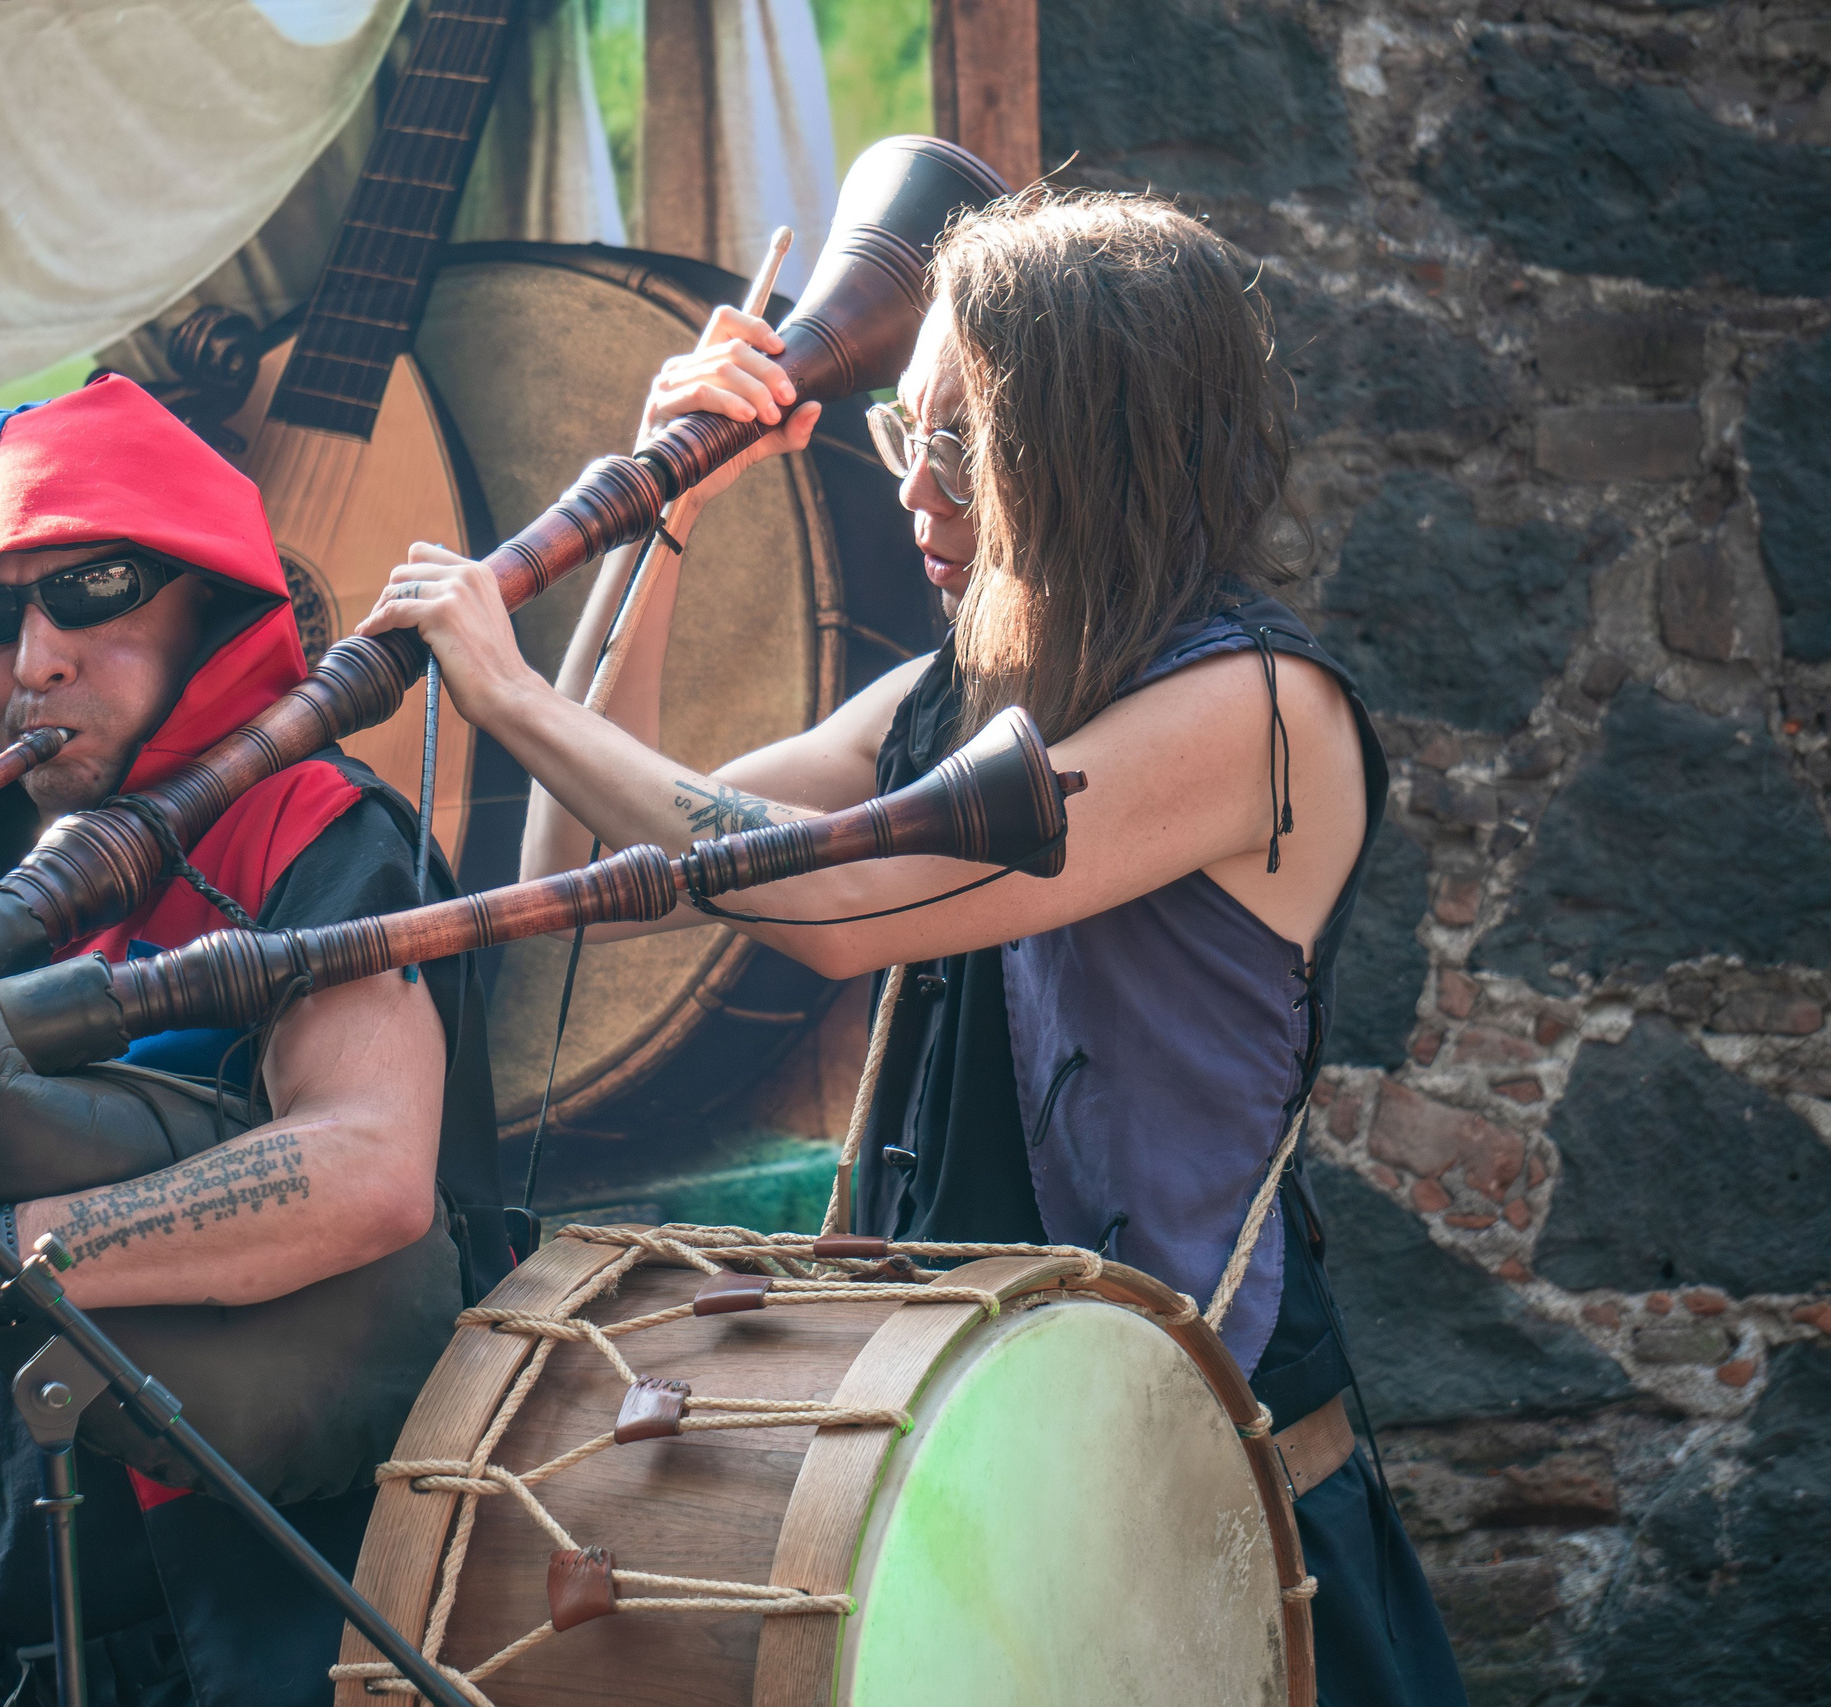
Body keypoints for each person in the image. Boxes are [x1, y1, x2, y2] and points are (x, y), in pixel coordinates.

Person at [356, 189, 1467, 1706]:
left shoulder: (1257, 713)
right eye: (904, 433)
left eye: (963, 447)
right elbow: (610, 862)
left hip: (1205, 1474)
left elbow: (824, 910)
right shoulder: (948, 697)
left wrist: (509, 690)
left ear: (1097, 457)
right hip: (971, 1453)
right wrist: (670, 504)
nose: (916, 496)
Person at [0, 374, 506, 1707]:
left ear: (211, 607)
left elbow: (370, 1168)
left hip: (282, 1583)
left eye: (93, 588)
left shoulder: (309, 824)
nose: (35, 660)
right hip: (34, 1586)